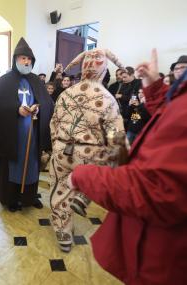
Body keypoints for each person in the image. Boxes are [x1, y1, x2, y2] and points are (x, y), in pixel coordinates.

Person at [67, 49, 187, 284]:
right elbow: (115, 134)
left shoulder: (73, 94)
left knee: (63, 194)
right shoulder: (103, 97)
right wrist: (119, 156)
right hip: (87, 160)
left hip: (75, 157)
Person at [49, 48, 126, 252]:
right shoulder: (107, 98)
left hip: (61, 149)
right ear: (103, 70)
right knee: (114, 156)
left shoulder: (66, 93)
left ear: (83, 68)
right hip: (89, 155)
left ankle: (63, 233)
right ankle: (84, 195)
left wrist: (55, 146)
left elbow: (53, 124)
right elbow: (116, 139)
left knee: (60, 189)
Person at [0, 37, 54, 212]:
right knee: (13, 165)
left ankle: (29, 197)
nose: (26, 61)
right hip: (13, 134)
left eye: (29, 58)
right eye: (23, 58)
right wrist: (17, 109)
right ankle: (11, 199)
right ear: (15, 59)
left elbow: (47, 103)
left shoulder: (35, 80)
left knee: (32, 164)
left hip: (32, 133)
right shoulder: (5, 80)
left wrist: (37, 109)